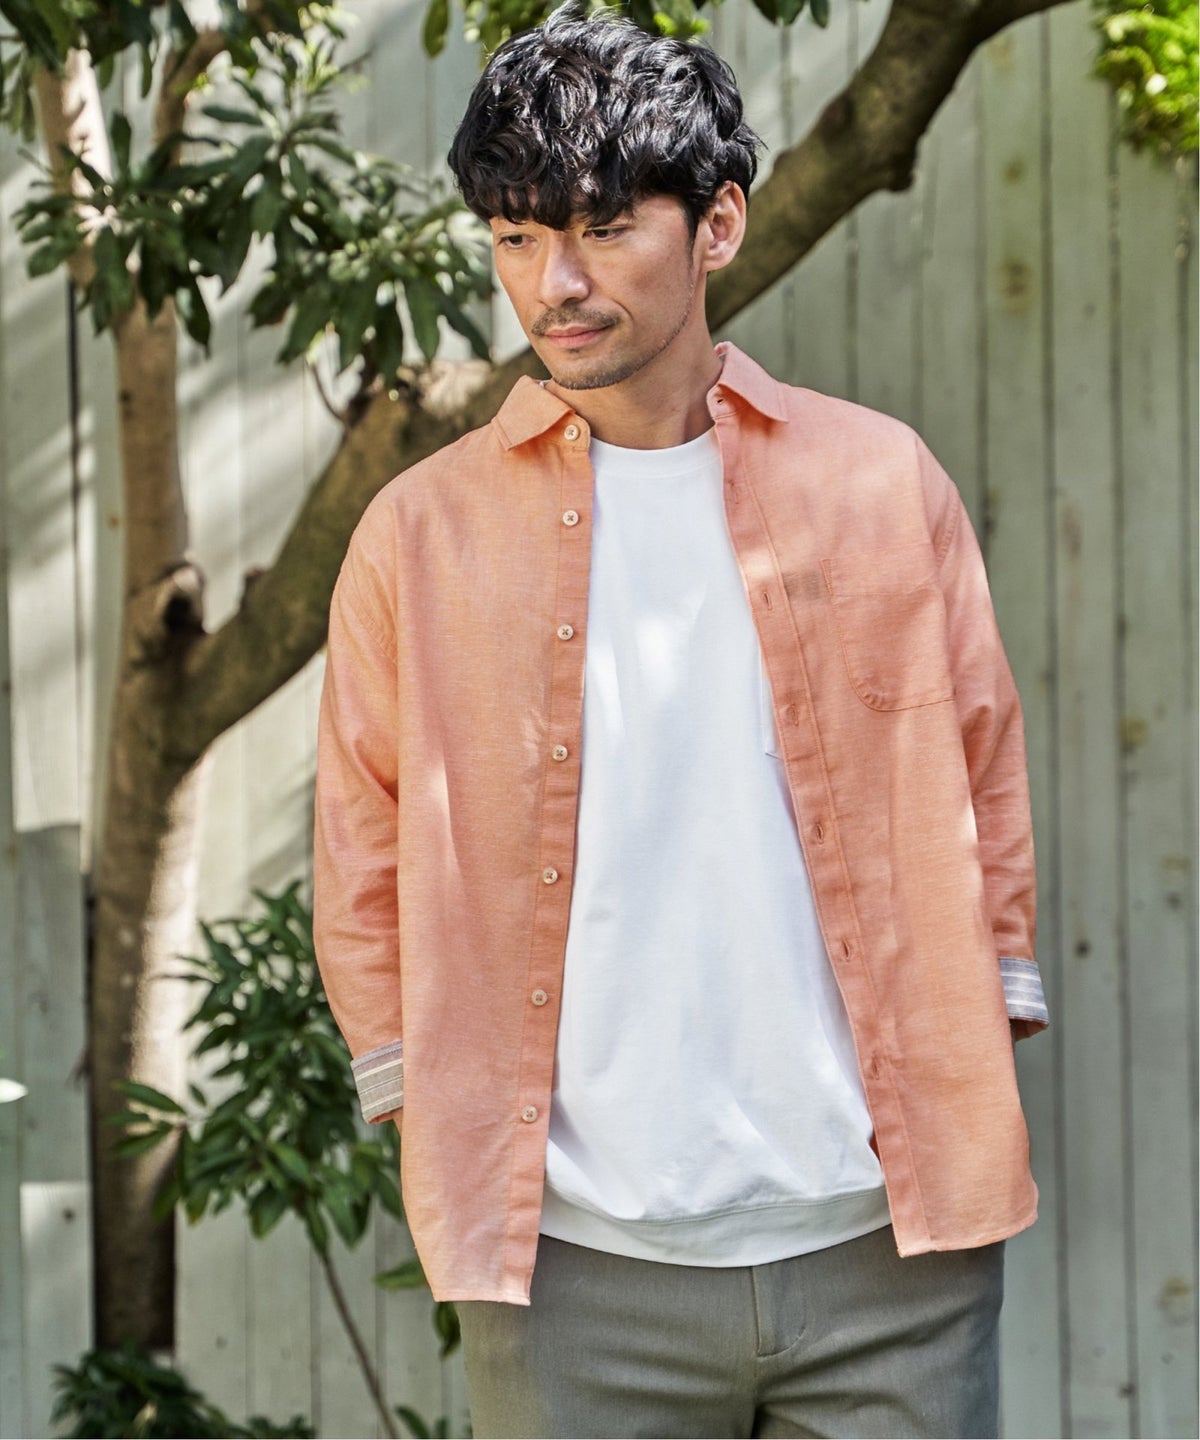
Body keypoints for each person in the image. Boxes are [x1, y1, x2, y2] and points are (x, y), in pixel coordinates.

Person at [312, 10, 1048, 1437]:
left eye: (602, 229)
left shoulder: (881, 484)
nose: (556, 282)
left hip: (888, 1254)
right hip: (575, 1279)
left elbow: (984, 770)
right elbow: (362, 850)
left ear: (718, 224)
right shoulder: (418, 537)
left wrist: (984, 1023)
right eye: (516, 238)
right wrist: (421, 1099)